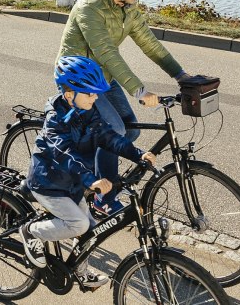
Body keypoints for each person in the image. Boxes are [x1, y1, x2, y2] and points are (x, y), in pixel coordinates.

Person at [59, 0, 193, 214]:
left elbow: (150, 44)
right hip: (77, 81)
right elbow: (107, 52)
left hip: (104, 79)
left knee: (130, 130)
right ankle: (103, 200)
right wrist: (139, 90)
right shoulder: (90, 7)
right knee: (115, 131)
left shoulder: (127, 10)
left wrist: (181, 75)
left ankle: (96, 179)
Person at [20, 55, 158, 290]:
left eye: (96, 93)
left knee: (90, 230)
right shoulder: (55, 120)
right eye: (90, 93)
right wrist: (91, 179)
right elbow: (65, 154)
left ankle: (80, 271)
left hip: (71, 184)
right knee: (79, 225)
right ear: (69, 93)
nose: (95, 98)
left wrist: (137, 154)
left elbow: (108, 137)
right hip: (48, 183)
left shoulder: (88, 112)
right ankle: (31, 232)